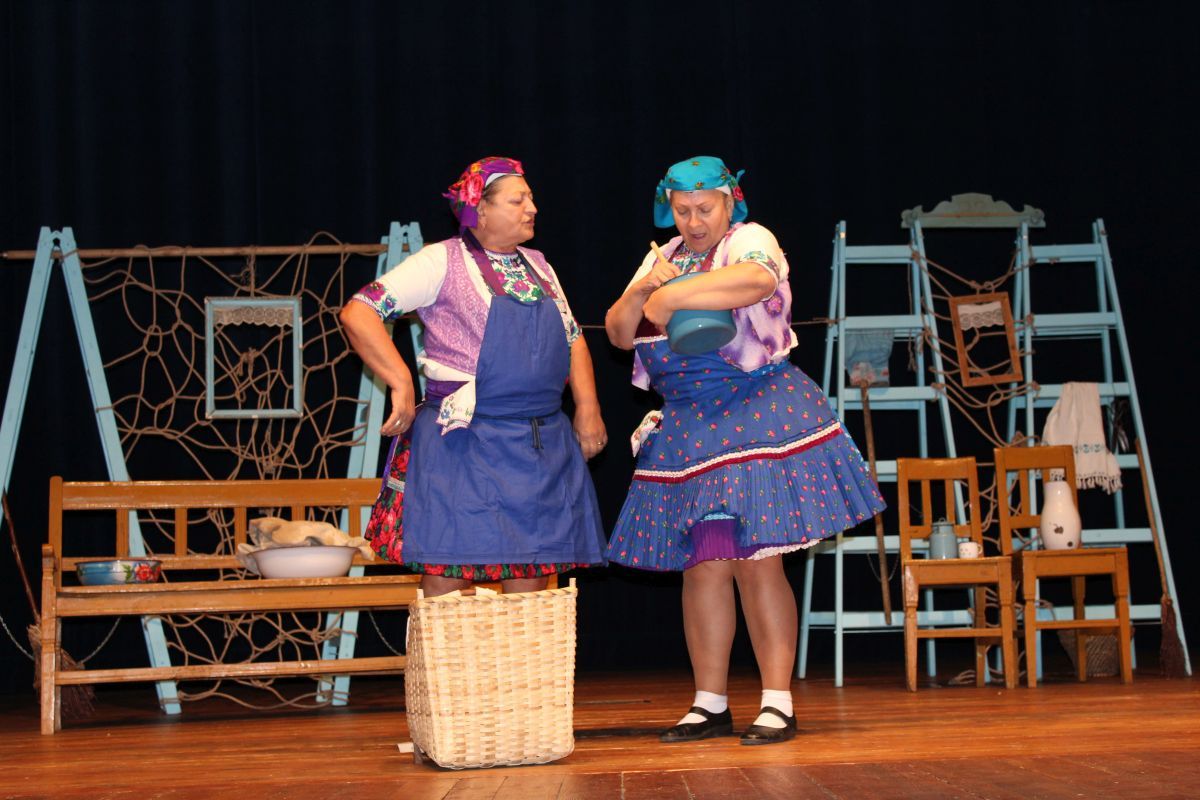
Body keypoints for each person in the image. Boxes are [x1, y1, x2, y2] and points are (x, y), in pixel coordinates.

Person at [605, 156, 885, 745]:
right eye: (682, 210)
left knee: (758, 559)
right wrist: (647, 289)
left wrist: (674, 293)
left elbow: (758, 280)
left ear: (729, 201)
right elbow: (619, 332)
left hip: (752, 411)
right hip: (690, 424)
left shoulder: (749, 239)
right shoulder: (663, 257)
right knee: (703, 567)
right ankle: (709, 702)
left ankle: (777, 700)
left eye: (704, 208)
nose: (693, 221)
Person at [340, 155, 608, 597]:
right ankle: (449, 647)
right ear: (480, 209)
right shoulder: (440, 261)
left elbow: (573, 337)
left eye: (531, 198)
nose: (533, 208)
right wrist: (400, 380)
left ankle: (525, 648)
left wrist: (588, 407)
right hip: (465, 439)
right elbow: (360, 312)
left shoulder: (539, 265)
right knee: (449, 562)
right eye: (518, 200)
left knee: (532, 568)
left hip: (535, 441)